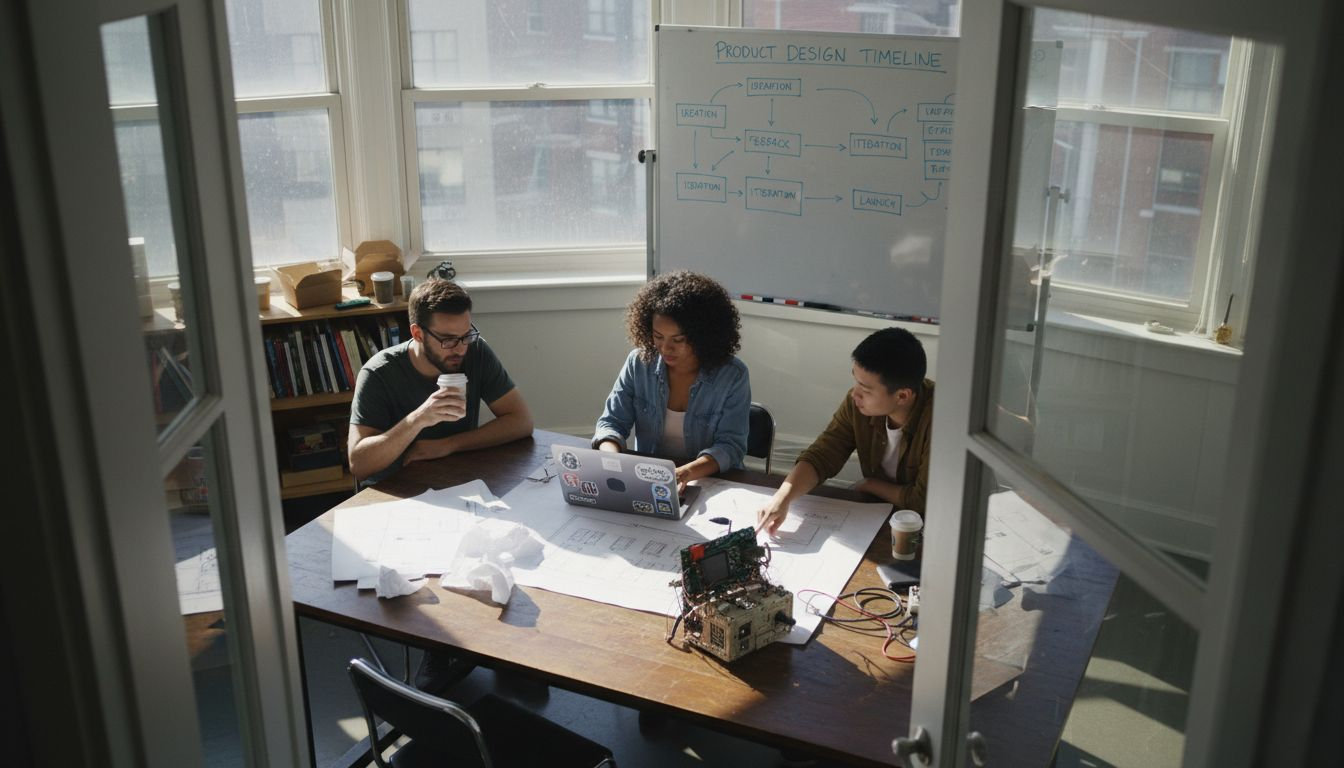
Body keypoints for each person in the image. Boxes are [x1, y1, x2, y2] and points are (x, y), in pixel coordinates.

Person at [348, 278, 534, 485]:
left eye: (466, 335)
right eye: (448, 340)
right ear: (418, 334)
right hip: (395, 489)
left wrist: (448, 445)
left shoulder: (475, 351)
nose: (461, 349)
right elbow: (359, 464)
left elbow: (521, 421)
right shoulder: (378, 373)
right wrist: (418, 419)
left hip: (455, 479)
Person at [757, 327, 934, 535]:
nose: (854, 394)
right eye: (855, 381)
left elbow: (922, 501)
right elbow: (823, 454)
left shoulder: (940, 420)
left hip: (922, 531)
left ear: (903, 396)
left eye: (866, 390)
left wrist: (870, 484)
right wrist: (783, 498)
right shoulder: (858, 405)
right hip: (875, 517)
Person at [593, 271, 751, 490]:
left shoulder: (732, 375)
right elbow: (611, 423)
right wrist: (611, 461)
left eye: (678, 340)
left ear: (703, 336)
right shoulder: (639, 363)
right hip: (650, 481)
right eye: (658, 336)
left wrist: (683, 473)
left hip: (710, 484)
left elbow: (730, 447)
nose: (665, 348)